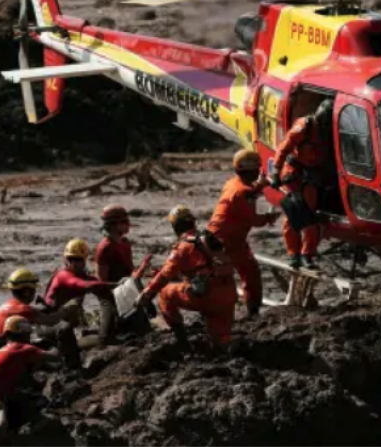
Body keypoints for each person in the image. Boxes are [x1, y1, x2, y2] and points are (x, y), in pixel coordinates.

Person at [137, 206, 238, 350]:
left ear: (175, 227)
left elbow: (166, 274)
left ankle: (182, 341)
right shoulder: (210, 238)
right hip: (229, 295)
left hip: (208, 296)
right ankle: (224, 342)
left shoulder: (183, 246)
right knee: (219, 341)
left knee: (164, 293)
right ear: (193, 222)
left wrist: (147, 294)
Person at [207, 149, 279, 318]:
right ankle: (251, 314)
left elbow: (248, 193)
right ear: (252, 170)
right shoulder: (244, 192)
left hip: (218, 237)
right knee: (248, 275)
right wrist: (270, 217)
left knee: (224, 277)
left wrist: (260, 186)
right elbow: (254, 220)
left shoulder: (232, 183)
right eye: (258, 169)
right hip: (227, 241)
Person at [0, 317, 61, 430]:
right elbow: (55, 357)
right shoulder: (23, 348)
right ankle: (34, 423)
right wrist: (52, 343)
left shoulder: (5, 348)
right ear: (25, 332)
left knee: (16, 393)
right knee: (25, 399)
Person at [271, 99, 334, 269]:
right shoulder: (304, 126)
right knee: (293, 214)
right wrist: (276, 172)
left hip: (312, 175)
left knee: (310, 217)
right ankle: (293, 254)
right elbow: (283, 148)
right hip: (295, 174)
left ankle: (307, 254)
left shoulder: (330, 131)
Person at [0, 268, 81, 368]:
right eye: (33, 289)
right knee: (52, 340)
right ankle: (71, 368)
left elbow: (35, 313)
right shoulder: (22, 309)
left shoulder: (7, 306)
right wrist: (68, 308)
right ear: (27, 292)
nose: (34, 293)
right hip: (5, 353)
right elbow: (51, 321)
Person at [93, 205, 154, 338]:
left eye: (128, 221)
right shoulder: (105, 248)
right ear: (114, 225)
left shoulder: (125, 243)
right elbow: (101, 282)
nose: (129, 225)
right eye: (124, 222)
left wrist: (145, 270)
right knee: (107, 339)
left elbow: (131, 272)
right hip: (116, 296)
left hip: (129, 291)